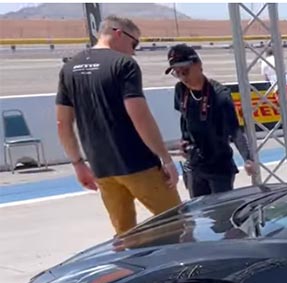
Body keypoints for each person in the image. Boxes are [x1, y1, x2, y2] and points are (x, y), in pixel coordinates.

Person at [55, 15, 180, 236]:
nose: (133, 51)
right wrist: (166, 158)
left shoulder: (69, 68)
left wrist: (77, 163)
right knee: (177, 225)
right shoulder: (124, 64)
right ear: (119, 33)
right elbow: (139, 114)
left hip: (102, 169)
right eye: (134, 44)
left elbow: (62, 123)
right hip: (138, 164)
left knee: (124, 234)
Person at [166, 44, 256, 197]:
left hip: (219, 166)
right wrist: (184, 141)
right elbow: (184, 117)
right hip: (194, 166)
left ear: (198, 65)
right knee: (199, 213)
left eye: (185, 71)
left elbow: (234, 130)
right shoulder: (180, 90)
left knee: (221, 214)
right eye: (177, 73)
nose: (182, 77)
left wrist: (247, 159)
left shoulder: (220, 94)